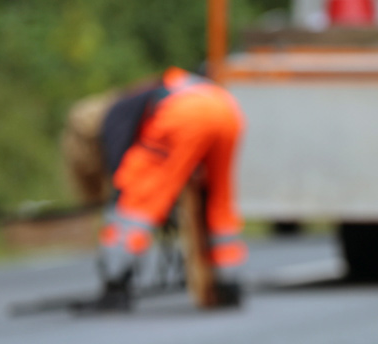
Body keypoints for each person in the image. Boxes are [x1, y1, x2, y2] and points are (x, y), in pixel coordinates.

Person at [66, 66, 247, 311]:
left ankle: (115, 285)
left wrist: (120, 192)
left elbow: (122, 166)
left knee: (134, 204)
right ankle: (228, 284)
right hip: (225, 108)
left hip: (186, 114)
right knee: (218, 198)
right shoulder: (145, 96)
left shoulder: (114, 114)